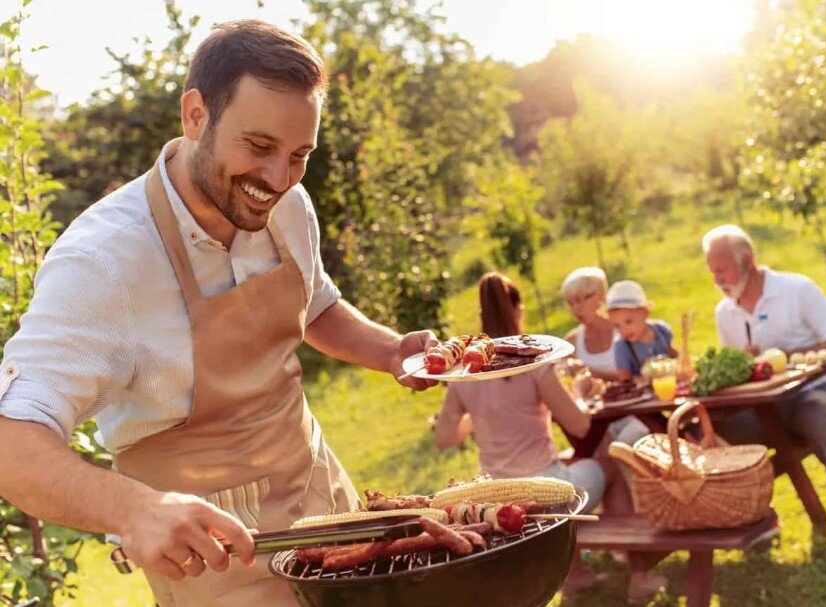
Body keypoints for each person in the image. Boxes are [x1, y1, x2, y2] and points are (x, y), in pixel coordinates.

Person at [0, 21, 437, 607]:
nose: (278, 179)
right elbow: (12, 441)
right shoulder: (102, 262)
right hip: (217, 561)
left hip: (328, 510)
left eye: (298, 156)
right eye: (258, 147)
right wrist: (135, 508)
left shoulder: (287, 206)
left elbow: (317, 305)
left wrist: (388, 351)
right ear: (195, 115)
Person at [433, 272, 663, 600]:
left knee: (579, 463)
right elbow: (580, 426)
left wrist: (481, 415)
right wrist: (582, 392)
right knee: (609, 465)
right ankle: (639, 575)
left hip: (493, 496)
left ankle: (576, 576)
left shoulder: (463, 375)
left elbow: (444, 438)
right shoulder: (533, 363)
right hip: (545, 489)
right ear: (517, 310)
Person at [702, 224, 826, 543]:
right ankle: (759, 516)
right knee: (717, 437)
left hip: (815, 393)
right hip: (764, 408)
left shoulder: (797, 289)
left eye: (721, 270)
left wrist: (786, 355)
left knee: (813, 418)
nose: (716, 279)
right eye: (712, 271)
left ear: (747, 261)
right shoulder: (725, 312)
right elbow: (738, 374)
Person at [607, 280, 678, 382]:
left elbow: (672, 353)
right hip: (643, 394)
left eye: (628, 322)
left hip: (669, 386)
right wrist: (642, 381)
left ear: (645, 313)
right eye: (617, 326)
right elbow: (624, 378)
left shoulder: (660, 330)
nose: (624, 330)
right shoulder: (622, 345)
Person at [562, 267, 620, 380]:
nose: (576, 308)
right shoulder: (571, 343)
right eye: (571, 303)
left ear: (602, 294)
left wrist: (587, 370)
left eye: (583, 299)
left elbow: (635, 375)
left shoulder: (623, 329)